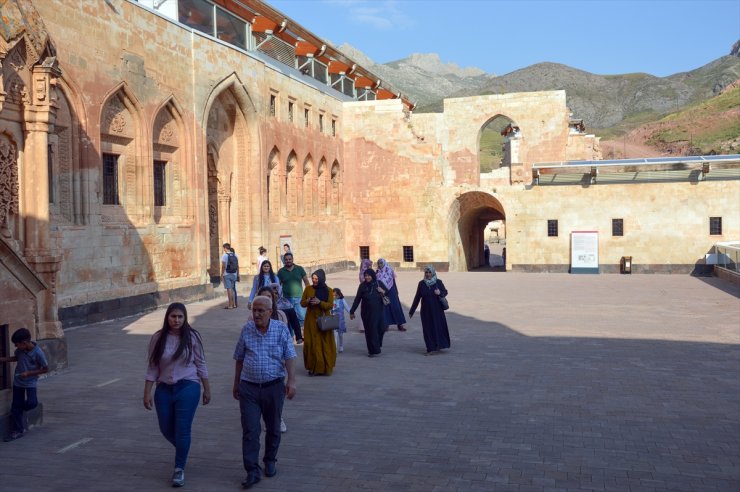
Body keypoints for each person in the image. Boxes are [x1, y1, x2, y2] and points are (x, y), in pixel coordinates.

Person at [143, 303, 211, 487]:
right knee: (166, 428)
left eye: (180, 317)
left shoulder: (192, 337)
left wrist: (207, 388)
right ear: (167, 317)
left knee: (182, 429)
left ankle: (179, 468)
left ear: (185, 318)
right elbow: (153, 366)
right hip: (164, 389)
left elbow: (201, 363)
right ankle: (183, 448)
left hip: (188, 387)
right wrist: (147, 392)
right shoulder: (158, 338)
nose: (177, 320)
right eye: (173, 316)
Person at [233, 295, 296, 489]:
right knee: (251, 429)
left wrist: (291, 380)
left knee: (274, 427)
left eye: (261, 310)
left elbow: (289, 356)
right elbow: (239, 358)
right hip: (249, 387)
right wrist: (236, 383)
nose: (257, 314)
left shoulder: (280, 329)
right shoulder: (247, 329)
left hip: (274, 386)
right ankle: (252, 470)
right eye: (254, 310)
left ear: (270, 311)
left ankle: (270, 460)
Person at [0, 328, 49, 442]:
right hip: (18, 382)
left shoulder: (38, 353)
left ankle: (17, 411)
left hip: (30, 382)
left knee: (32, 403)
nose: (16, 347)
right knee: (16, 405)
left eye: (17, 345)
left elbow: (45, 369)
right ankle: (18, 430)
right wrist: (3, 359)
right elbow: (16, 358)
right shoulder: (20, 351)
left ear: (25, 342)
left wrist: (29, 373)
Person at [408, 265, 451, 356]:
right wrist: (412, 310)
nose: (428, 274)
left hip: (437, 310)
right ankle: (430, 348)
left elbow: (445, 292)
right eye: (426, 272)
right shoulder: (421, 284)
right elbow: (417, 297)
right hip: (425, 311)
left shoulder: (438, 282)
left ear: (433, 273)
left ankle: (439, 344)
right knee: (427, 329)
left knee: (438, 327)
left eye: (429, 272)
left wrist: (440, 293)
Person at [301, 269, 336, 375]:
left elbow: (330, 305)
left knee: (324, 343)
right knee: (311, 343)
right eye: (313, 279)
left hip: (324, 319)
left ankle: (324, 368)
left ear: (321, 278)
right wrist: (307, 301)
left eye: (316, 279)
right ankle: (313, 368)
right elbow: (302, 303)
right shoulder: (308, 289)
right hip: (311, 321)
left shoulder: (329, 290)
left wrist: (320, 302)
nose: (314, 281)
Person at [349, 269, 389, 357]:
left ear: (373, 275)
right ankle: (372, 350)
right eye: (365, 275)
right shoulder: (362, 286)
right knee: (370, 331)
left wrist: (382, 291)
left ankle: (377, 344)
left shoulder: (379, 283)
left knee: (381, 328)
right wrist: (352, 311)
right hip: (367, 313)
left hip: (379, 311)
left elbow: (388, 293)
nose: (366, 277)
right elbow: (357, 299)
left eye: (368, 275)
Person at [277, 252, 309, 331]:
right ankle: (291, 337)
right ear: (284, 261)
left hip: (300, 298)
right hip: (287, 299)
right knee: (289, 319)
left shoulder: (299, 269)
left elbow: (306, 282)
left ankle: (303, 334)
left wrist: (308, 294)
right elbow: (277, 286)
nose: (288, 261)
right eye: (286, 259)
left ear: (292, 259)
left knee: (302, 317)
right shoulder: (281, 271)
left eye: (289, 259)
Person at [376, 258, 407, 331]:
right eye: (378, 263)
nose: (380, 265)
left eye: (381, 263)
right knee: (385, 308)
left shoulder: (389, 270)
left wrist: (396, 291)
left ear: (384, 263)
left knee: (396, 307)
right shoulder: (377, 272)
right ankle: (386, 324)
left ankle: (400, 324)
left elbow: (393, 281)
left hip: (392, 291)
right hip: (383, 292)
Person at [332, 288, 351, 353]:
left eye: (336, 295)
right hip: (333, 320)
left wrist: (351, 313)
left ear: (339, 295)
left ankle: (341, 346)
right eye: (333, 295)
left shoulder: (342, 300)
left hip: (340, 320)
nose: (334, 297)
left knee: (340, 334)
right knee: (335, 335)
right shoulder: (331, 301)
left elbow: (347, 308)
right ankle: (334, 349)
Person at [221, 243, 239, 309]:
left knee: (229, 289)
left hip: (227, 274)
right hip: (234, 273)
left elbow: (223, 266)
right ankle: (234, 304)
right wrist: (238, 274)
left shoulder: (224, 256)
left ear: (225, 248)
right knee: (233, 289)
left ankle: (230, 305)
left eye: (224, 248)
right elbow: (237, 266)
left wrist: (221, 274)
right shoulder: (235, 255)